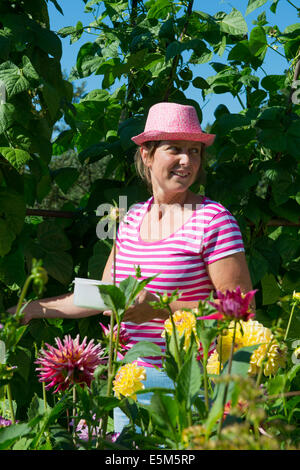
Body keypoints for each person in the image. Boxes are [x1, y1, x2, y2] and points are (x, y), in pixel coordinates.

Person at [8, 102, 255, 433]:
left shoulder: (213, 220)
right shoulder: (133, 217)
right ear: (147, 156)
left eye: (194, 152)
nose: (187, 161)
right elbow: (103, 297)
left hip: (196, 384)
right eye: (175, 150)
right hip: (134, 379)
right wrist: (29, 308)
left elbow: (241, 310)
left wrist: (158, 308)